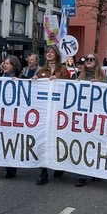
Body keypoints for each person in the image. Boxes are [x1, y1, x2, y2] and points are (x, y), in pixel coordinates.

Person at [34, 45, 72, 185]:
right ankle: (43, 171)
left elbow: (69, 88)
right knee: (43, 140)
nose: (49, 54)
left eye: (52, 52)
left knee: (56, 140)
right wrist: (34, 81)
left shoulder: (62, 70)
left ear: (56, 55)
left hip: (57, 112)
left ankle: (58, 164)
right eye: (47, 52)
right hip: (44, 112)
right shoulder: (41, 70)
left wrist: (59, 80)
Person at [73, 53, 107, 187]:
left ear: (97, 61)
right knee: (83, 145)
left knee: (95, 144)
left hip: (97, 117)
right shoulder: (78, 77)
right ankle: (82, 175)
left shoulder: (103, 78)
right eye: (87, 59)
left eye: (91, 59)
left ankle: (95, 171)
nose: (88, 61)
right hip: (82, 117)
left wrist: (100, 85)